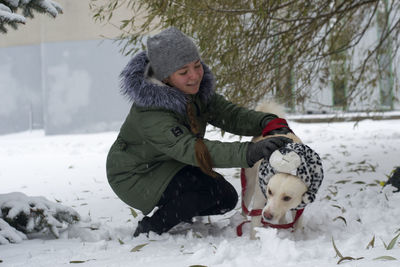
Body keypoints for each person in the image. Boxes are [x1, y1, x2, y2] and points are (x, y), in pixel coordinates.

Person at [106, 27, 292, 237]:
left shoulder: (194, 91)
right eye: (184, 72)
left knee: (225, 198)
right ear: (165, 77)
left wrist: (268, 122)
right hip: (137, 174)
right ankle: (151, 227)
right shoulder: (152, 113)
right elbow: (190, 149)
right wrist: (248, 152)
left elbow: (230, 115)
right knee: (198, 196)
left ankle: (181, 208)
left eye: (197, 66)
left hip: (169, 162)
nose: (194, 76)